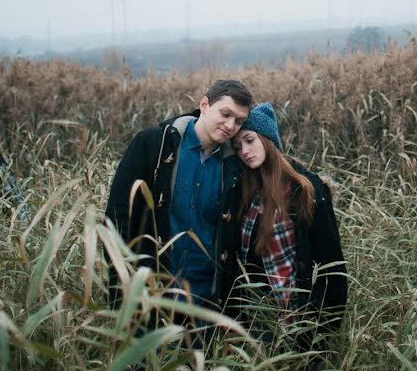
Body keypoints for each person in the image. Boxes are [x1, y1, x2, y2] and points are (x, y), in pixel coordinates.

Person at [104, 79, 253, 309]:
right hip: (151, 295)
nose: (230, 125)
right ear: (204, 105)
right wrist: (121, 287)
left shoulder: (233, 167)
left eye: (239, 121)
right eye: (225, 113)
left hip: (205, 303)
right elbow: (118, 215)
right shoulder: (155, 145)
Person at [219, 102, 348, 359]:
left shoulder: (305, 190)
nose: (244, 151)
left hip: (296, 318)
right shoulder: (245, 191)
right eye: (238, 147)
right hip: (256, 318)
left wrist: (326, 329)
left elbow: (332, 263)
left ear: (268, 139)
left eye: (250, 140)